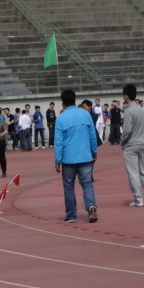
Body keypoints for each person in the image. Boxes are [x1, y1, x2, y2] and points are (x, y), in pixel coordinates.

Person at [54, 89, 98, 224]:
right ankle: (91, 206)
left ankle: (71, 215)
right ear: (75, 100)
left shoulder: (61, 118)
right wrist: (94, 152)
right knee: (87, 184)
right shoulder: (86, 115)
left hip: (69, 158)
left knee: (68, 186)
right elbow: (93, 136)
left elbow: (58, 142)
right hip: (85, 156)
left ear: (63, 103)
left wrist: (58, 160)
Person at [120, 83, 144, 207]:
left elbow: (127, 131)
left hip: (131, 145)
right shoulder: (141, 110)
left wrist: (122, 142)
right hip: (142, 143)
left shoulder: (128, 111)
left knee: (133, 173)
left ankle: (138, 199)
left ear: (126, 96)